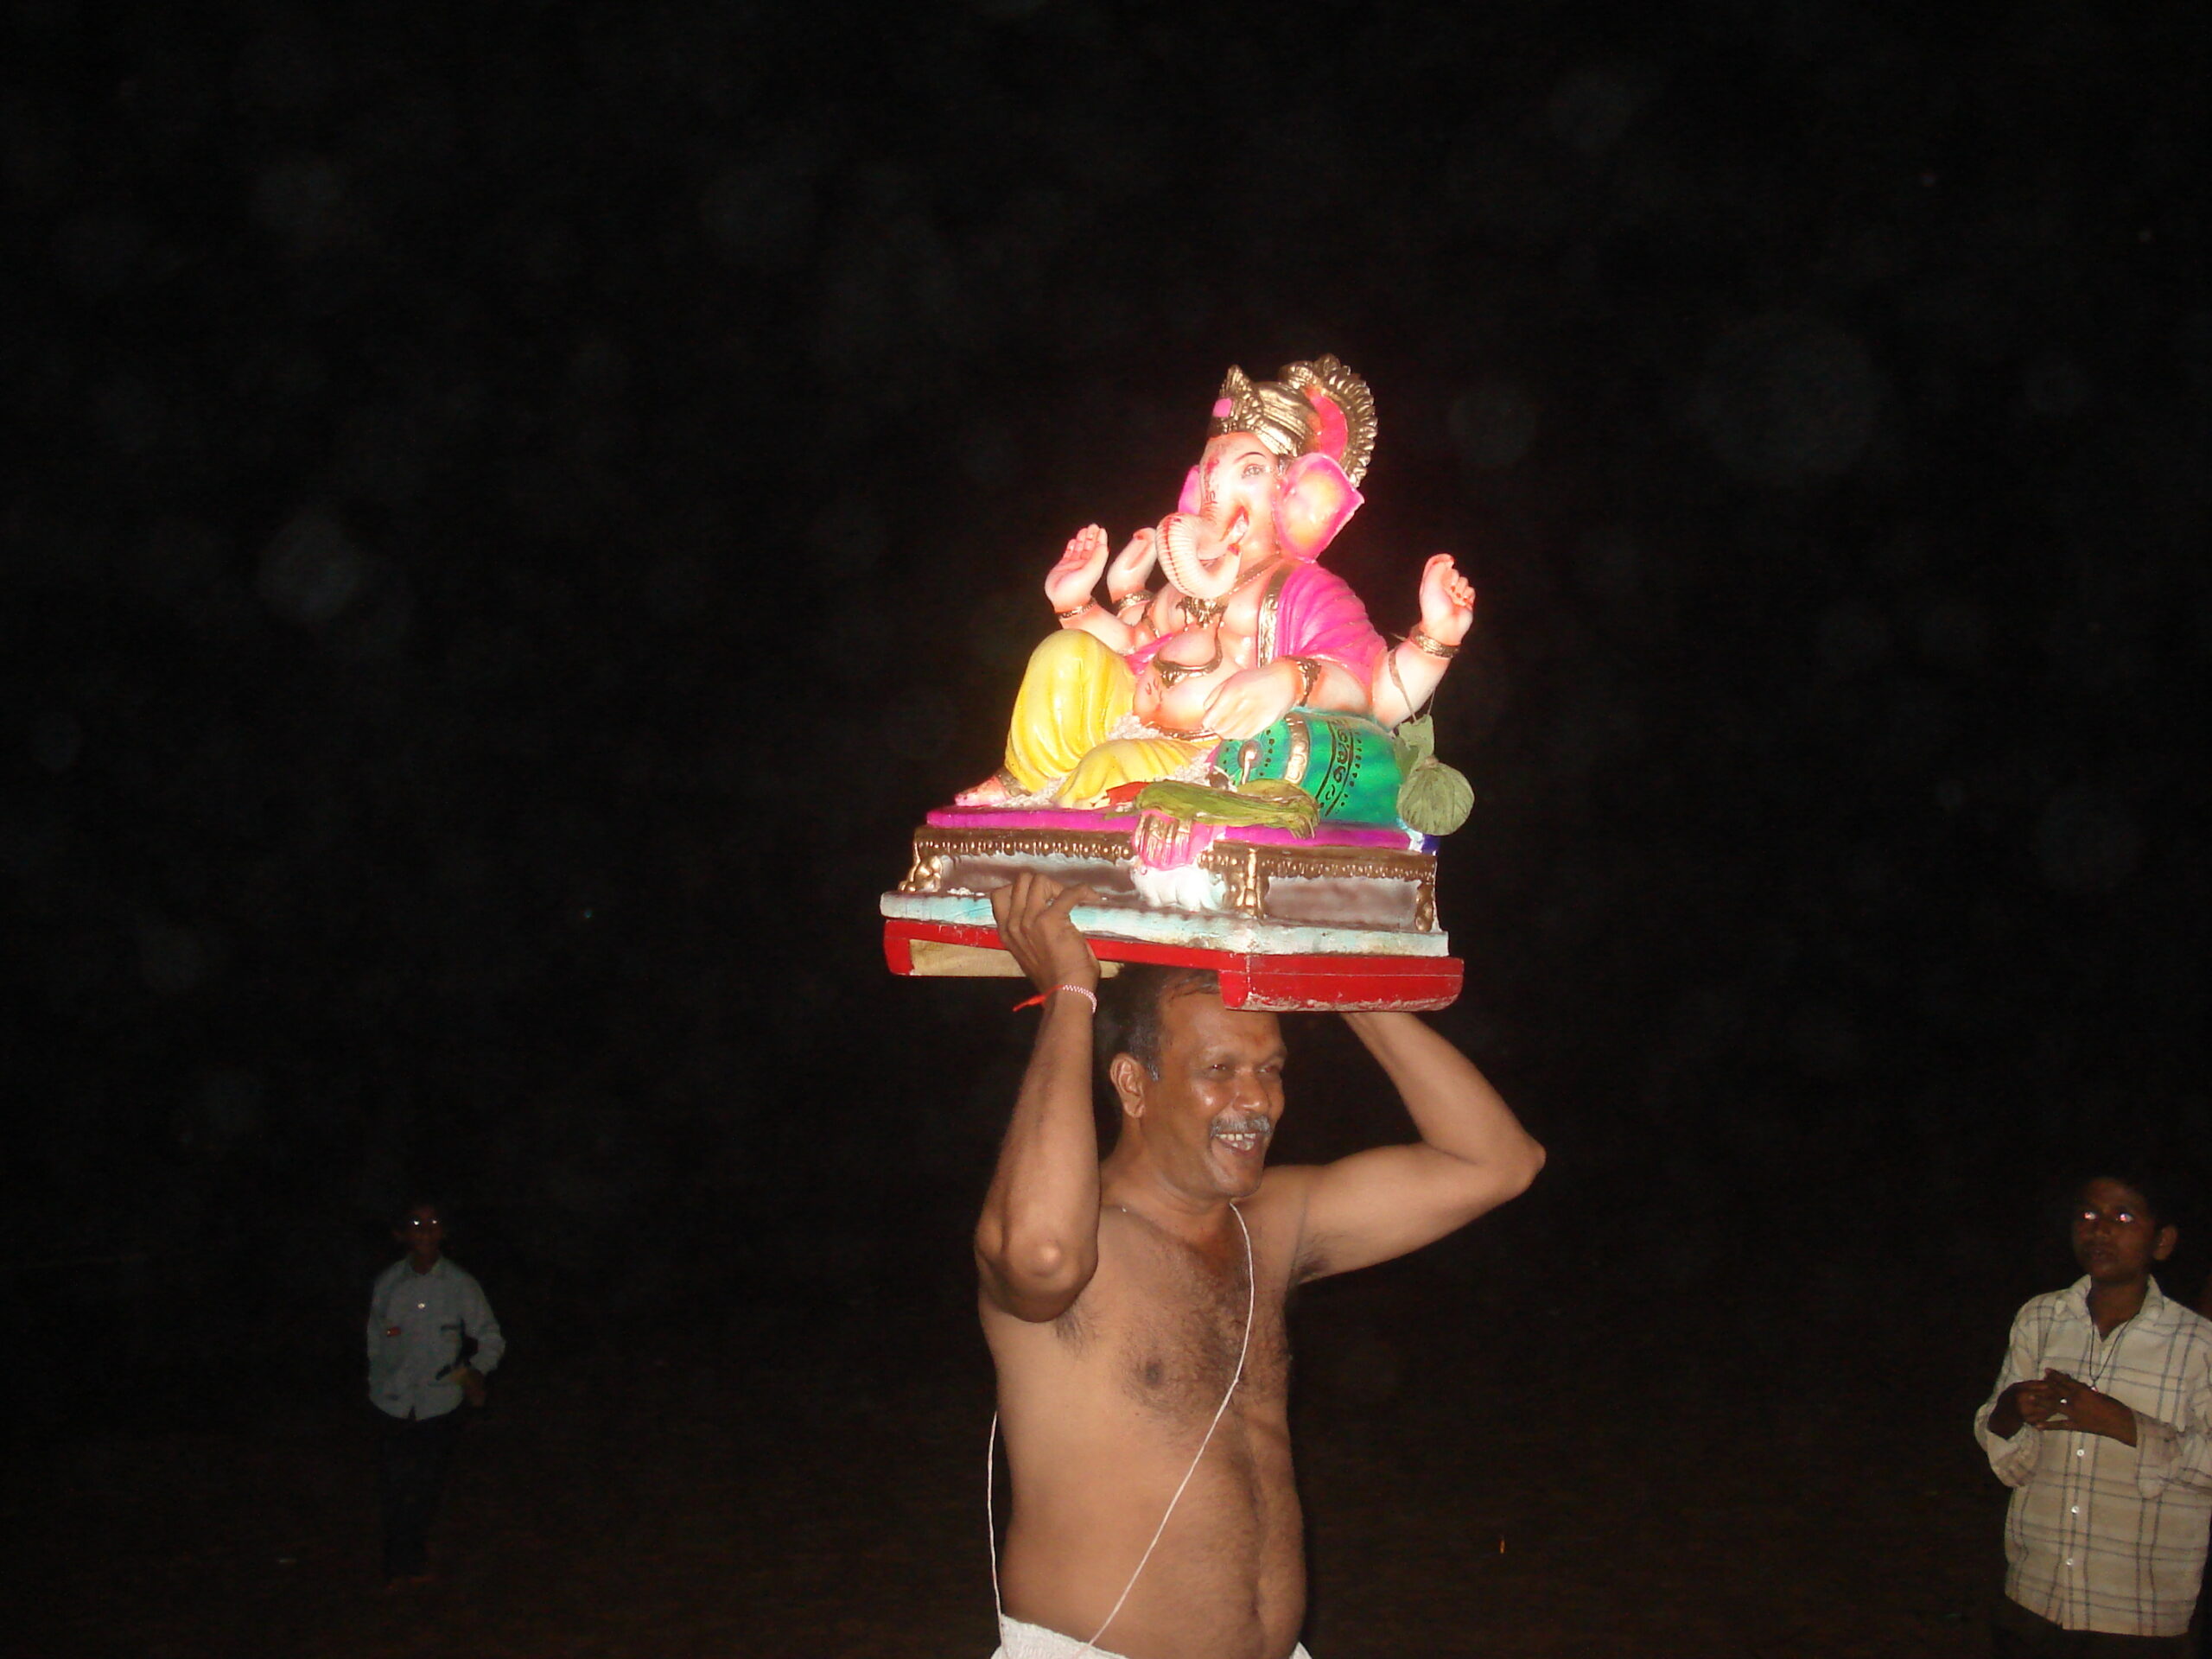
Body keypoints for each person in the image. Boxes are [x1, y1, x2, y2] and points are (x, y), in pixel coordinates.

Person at [976, 874, 1544, 1659]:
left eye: (1271, 1069)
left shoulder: (1270, 1224)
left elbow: (1498, 1162)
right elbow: (1039, 1255)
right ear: (1135, 1086)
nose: (1258, 1102)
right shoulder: (1078, 1237)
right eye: (1219, 1071)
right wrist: (1072, 993)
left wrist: (1326, 977)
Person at [1974, 1171, 2212, 1655]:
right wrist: (2009, 1411)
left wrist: (2124, 1426)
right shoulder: (2040, 1319)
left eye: (2123, 1217)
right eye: (2087, 1215)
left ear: (2162, 1241)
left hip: (2136, 1616)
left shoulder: (2198, 1345)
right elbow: (2005, 1455)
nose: (2099, 1229)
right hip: (2033, 1599)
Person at [366, 1199, 504, 1586]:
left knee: (426, 1486)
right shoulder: (388, 1284)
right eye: (416, 1223)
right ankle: (395, 1564)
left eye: (433, 1223)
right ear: (402, 1235)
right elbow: (376, 1340)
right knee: (394, 1486)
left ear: (443, 1232)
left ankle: (415, 1557)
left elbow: (491, 1337)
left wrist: (476, 1371)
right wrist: (377, 1385)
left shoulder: (460, 1285)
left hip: (439, 1403)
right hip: (391, 1403)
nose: (425, 1229)